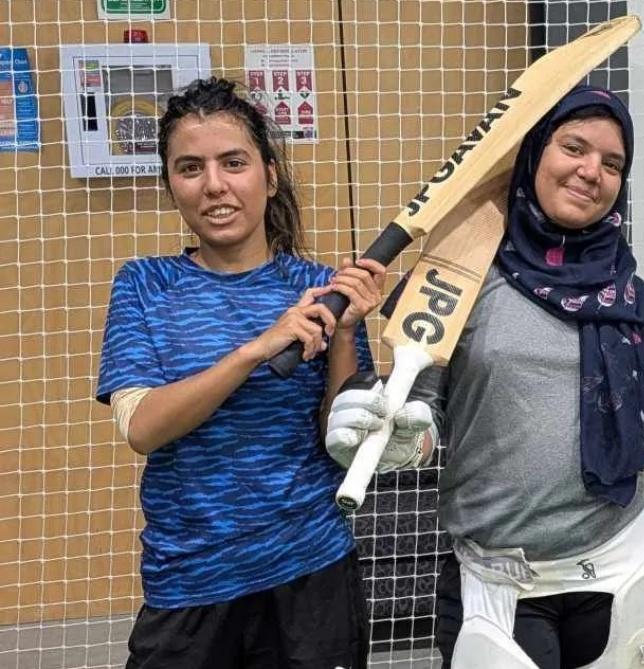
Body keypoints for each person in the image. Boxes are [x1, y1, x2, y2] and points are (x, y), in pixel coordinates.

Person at [325, 85, 644, 668]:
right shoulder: (462, 278)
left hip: (621, 561)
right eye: (574, 147)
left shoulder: (629, 298)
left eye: (613, 163)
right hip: (498, 579)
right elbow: (423, 417)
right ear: (536, 152)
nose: (591, 171)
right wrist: (396, 441)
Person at [95, 77, 386, 669]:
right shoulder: (145, 286)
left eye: (234, 163)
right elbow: (143, 427)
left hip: (311, 576)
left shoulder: (323, 292)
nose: (215, 186)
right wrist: (257, 348)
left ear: (269, 176)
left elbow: (344, 444)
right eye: (189, 168)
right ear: (170, 185)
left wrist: (347, 333)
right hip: (190, 584)